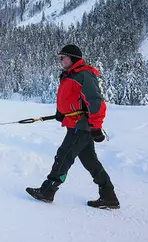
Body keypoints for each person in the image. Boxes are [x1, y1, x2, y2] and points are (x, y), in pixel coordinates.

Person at [26, 44, 120, 209]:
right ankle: (109, 196)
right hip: (75, 123)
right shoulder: (70, 75)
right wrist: (60, 112)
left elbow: (95, 101)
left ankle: (48, 190)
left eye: (63, 57)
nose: (60, 60)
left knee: (64, 156)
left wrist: (96, 126)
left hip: (82, 125)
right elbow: (70, 97)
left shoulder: (84, 75)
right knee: (91, 162)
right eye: (60, 58)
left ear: (73, 58)